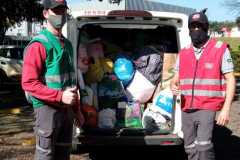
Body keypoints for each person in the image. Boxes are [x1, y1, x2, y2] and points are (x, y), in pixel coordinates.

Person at [21, 0, 84, 159]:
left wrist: (77, 111)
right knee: (46, 156)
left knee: (63, 154)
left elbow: (71, 81)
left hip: (67, 110)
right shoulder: (39, 45)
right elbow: (28, 83)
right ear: (45, 13)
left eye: (63, 10)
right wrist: (60, 96)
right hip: (47, 110)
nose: (60, 15)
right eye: (56, 11)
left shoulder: (68, 45)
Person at [171, 9, 236, 160]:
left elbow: (231, 79)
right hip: (186, 107)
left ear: (206, 29)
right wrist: (173, 86)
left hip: (208, 106)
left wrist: (226, 109)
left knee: (204, 146)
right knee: (189, 147)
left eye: (199, 27)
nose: (195, 30)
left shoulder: (219, 49)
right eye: (192, 27)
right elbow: (175, 79)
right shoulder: (184, 52)